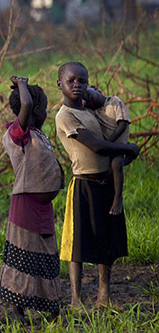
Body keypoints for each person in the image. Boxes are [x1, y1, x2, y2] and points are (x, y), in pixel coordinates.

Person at [55, 62, 140, 307]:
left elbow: (113, 128)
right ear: (60, 84)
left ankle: (104, 296)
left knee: (107, 242)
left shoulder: (90, 110)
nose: (77, 85)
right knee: (78, 247)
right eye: (71, 81)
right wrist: (128, 148)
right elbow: (97, 146)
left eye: (82, 81)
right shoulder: (65, 116)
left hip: (106, 182)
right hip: (84, 183)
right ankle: (76, 299)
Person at [0, 76, 62, 321]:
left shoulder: (37, 134)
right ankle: (17, 309)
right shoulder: (18, 132)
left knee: (46, 253)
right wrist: (22, 85)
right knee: (23, 255)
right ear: (35, 109)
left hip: (43, 206)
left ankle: (50, 305)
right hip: (25, 204)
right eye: (44, 108)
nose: (46, 113)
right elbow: (24, 106)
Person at [83, 86, 131, 215]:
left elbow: (123, 124)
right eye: (85, 100)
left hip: (119, 144)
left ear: (96, 89)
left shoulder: (115, 102)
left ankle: (118, 197)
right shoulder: (95, 111)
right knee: (106, 168)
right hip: (108, 147)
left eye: (88, 93)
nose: (87, 98)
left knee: (116, 163)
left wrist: (109, 142)